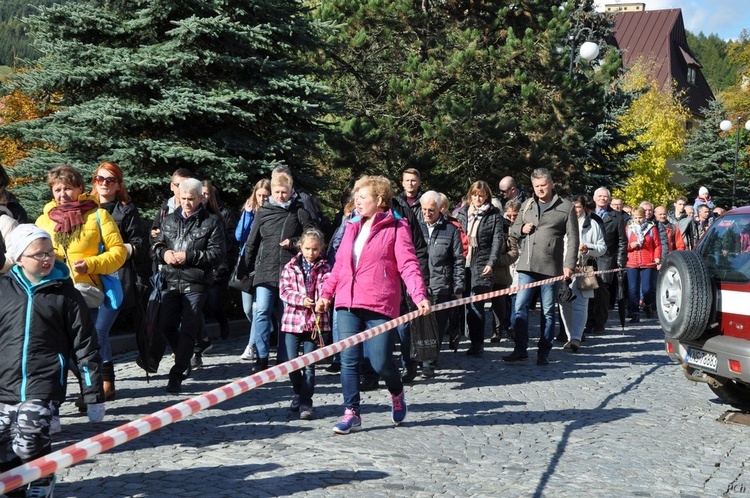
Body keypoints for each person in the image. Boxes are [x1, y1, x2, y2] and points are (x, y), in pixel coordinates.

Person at [315, 175, 430, 435]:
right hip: (347, 302)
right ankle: (351, 412)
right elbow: (340, 266)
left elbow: (408, 265)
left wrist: (418, 295)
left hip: (379, 303)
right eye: (356, 195)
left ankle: (396, 391)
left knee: (380, 362)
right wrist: (326, 294)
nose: (357, 200)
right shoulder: (351, 225)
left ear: (379, 200)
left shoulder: (397, 226)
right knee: (348, 359)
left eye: (362, 196)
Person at [0, 225, 105, 498]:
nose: (47, 259)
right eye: (38, 254)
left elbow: (85, 343)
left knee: (30, 433)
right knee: (4, 443)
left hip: (43, 381)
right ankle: (14, 485)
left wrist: (92, 392)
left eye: (50, 253)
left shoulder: (65, 294)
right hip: (4, 382)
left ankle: (43, 478)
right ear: (19, 257)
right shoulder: (3, 290)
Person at [149, 178, 226, 393]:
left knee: (189, 329)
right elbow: (156, 245)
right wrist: (164, 253)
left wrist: (189, 256)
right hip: (170, 280)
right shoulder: (170, 220)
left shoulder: (212, 222)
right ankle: (185, 354)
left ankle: (177, 374)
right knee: (165, 325)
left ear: (201, 197)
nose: (187, 203)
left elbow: (218, 254)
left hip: (196, 281)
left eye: (191, 199)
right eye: (182, 199)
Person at [241, 171, 316, 373]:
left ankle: (284, 356)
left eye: (284, 192)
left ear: (291, 191)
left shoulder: (299, 211)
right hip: (265, 269)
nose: (280, 196)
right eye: (277, 192)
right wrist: (245, 268)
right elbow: (252, 241)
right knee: (262, 311)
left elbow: (312, 236)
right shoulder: (263, 211)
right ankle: (262, 356)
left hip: (289, 271)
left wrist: (293, 243)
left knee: (285, 315)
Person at [504, 168, 578, 365]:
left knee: (547, 311)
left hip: (550, 267)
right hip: (526, 265)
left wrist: (569, 265)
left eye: (543, 185)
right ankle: (520, 348)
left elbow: (573, 239)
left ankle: (543, 352)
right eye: (536, 186)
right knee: (519, 307)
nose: (540, 189)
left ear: (551, 184)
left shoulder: (566, 207)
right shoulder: (527, 205)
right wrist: (521, 228)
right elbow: (512, 229)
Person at [89, 161, 147, 400]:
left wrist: (117, 250)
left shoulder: (126, 210)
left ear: (118, 185)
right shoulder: (85, 208)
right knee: (95, 331)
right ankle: (105, 379)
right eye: (99, 179)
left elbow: (142, 245)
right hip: (89, 276)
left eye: (109, 180)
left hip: (115, 277)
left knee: (98, 330)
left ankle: (104, 382)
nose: (103, 184)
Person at [279, 229, 331, 420]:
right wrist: (301, 299)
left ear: (321, 248)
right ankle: (298, 392)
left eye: (315, 249)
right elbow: (284, 291)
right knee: (292, 363)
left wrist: (321, 301)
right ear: (301, 247)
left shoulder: (325, 267)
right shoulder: (290, 267)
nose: (311, 253)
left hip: (315, 323)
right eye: (308, 248)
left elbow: (327, 288)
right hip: (292, 321)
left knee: (309, 364)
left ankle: (306, 401)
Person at [191, 180, 238, 368]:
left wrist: (222, 267)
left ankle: (222, 320)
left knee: (213, 302)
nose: (203, 198)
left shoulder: (220, 216)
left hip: (216, 268)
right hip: (196, 271)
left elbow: (227, 244)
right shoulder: (189, 216)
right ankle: (198, 347)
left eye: (206, 194)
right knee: (196, 309)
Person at [418, 191, 465, 377]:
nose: (427, 213)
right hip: (420, 284)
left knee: (436, 326)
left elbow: (458, 261)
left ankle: (429, 362)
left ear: (440, 209)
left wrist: (458, 286)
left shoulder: (451, 230)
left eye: (431, 210)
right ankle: (419, 358)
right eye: (424, 210)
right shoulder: (416, 228)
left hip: (441, 284)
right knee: (420, 324)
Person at [456, 181, 504, 356]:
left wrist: (491, 262)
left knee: (476, 305)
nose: (477, 198)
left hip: (481, 263)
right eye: (475, 195)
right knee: (461, 303)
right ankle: (460, 335)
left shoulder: (494, 215)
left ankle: (477, 344)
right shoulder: (461, 213)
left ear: (486, 196)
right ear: (470, 195)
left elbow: (497, 241)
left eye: (481, 195)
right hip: (463, 263)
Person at [559, 195, 606, 352]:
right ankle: (569, 336)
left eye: (578, 207)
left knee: (580, 304)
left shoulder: (592, 224)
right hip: (563, 268)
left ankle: (576, 338)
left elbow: (602, 248)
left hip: (583, 268)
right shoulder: (562, 222)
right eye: (572, 207)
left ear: (584, 208)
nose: (575, 210)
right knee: (564, 302)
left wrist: (589, 248)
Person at [237, 179, 271, 361]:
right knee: (248, 309)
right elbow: (239, 236)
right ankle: (266, 327)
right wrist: (248, 215)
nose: (263, 199)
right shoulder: (249, 212)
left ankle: (251, 346)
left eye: (266, 196)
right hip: (248, 264)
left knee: (258, 309)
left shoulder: (273, 213)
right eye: (260, 196)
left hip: (264, 265)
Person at [588, 187, 627, 332]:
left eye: (605, 196)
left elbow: (622, 241)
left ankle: (599, 322)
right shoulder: (589, 214)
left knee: (602, 290)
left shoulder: (617, 217)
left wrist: (621, 261)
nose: (602, 199)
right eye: (600, 196)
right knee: (588, 288)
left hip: (606, 258)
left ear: (609, 199)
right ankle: (588, 321)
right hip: (590, 257)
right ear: (594, 198)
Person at [625, 207, 661, 323]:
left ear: (644, 217)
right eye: (635, 218)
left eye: (640, 217)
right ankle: (634, 312)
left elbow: (657, 245)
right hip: (632, 262)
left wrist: (657, 257)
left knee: (647, 289)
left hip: (647, 262)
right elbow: (623, 244)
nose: (638, 220)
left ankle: (648, 304)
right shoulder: (629, 228)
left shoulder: (651, 228)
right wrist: (631, 246)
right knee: (633, 289)